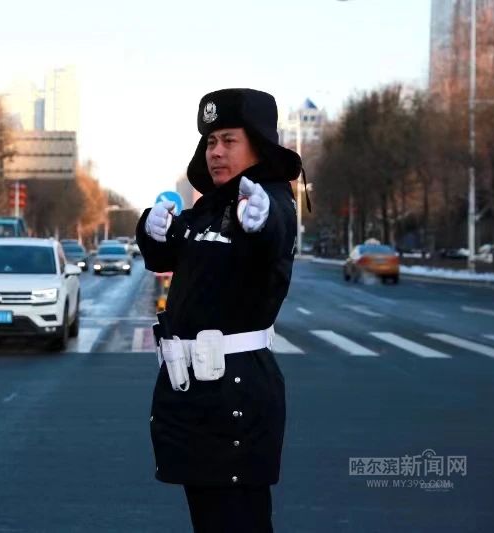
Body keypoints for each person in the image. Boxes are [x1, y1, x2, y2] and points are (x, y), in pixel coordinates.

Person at [136, 88, 311, 532]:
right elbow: (166, 256)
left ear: (257, 144)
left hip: (235, 391)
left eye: (228, 141)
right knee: (210, 520)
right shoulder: (209, 208)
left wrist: (264, 220)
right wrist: (151, 229)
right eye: (210, 142)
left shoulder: (268, 200)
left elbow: (274, 232)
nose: (216, 152)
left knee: (238, 522)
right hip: (194, 394)